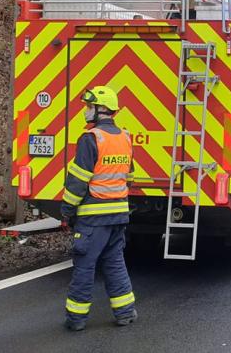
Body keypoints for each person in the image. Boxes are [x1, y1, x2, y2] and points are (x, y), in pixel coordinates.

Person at [61, 86, 137, 331]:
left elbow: (78, 181)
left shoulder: (91, 138)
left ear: (100, 109)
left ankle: (76, 319)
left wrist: (67, 210)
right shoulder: (124, 137)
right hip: (118, 215)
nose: (86, 111)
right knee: (114, 263)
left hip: (93, 218)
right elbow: (130, 177)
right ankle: (125, 313)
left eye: (88, 107)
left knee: (84, 266)